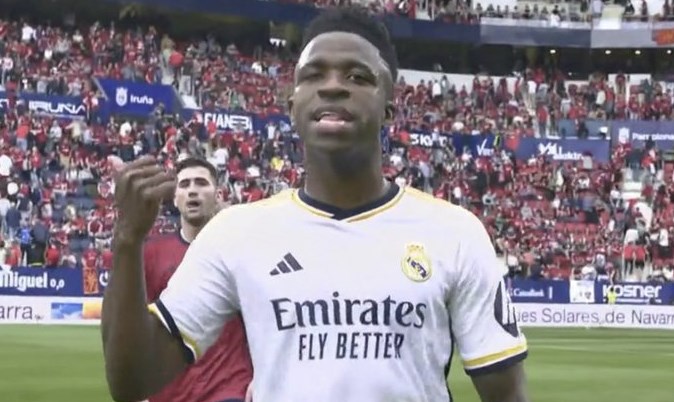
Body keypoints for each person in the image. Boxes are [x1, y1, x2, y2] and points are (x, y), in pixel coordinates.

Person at [102, 7, 530, 402]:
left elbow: (506, 395)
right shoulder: (236, 233)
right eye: (313, 75)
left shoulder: (454, 233)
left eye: (358, 77)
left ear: (389, 109)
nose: (333, 86)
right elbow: (132, 382)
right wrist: (127, 240)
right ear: (293, 107)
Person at [139, 156, 253, 402]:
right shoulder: (152, 254)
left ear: (218, 194)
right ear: (175, 198)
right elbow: (141, 328)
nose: (192, 191)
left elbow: (260, 320)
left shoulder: (240, 251)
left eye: (201, 183)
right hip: (171, 391)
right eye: (185, 184)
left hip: (229, 388)